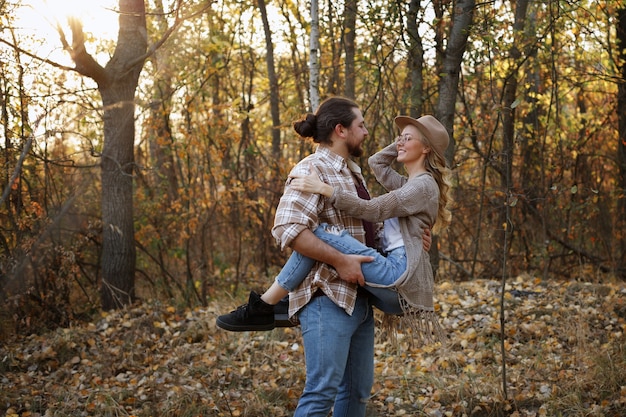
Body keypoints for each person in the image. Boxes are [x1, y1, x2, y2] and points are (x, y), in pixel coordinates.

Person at [217, 114, 451, 345]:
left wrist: (325, 189)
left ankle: (265, 305)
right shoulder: (408, 184)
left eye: (407, 139)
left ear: (426, 148)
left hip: (397, 276)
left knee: (320, 232)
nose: (399, 143)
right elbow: (376, 163)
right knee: (321, 236)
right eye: (399, 138)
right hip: (397, 274)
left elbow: (372, 210)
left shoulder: (422, 185)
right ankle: (276, 303)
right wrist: (406, 139)